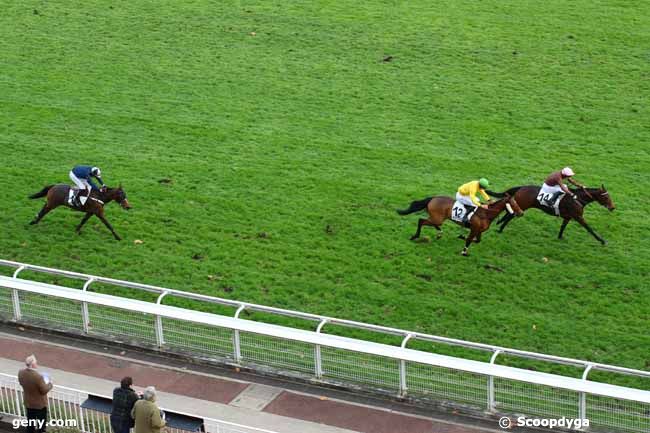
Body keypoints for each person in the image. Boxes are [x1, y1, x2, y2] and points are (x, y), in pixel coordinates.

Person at [18, 355, 53, 433]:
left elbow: (21, 383)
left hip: (29, 403)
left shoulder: (20, 372)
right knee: (41, 426)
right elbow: (44, 390)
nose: (37, 364)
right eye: (36, 362)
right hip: (40, 405)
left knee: (30, 424)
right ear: (33, 364)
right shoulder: (38, 377)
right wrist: (50, 383)